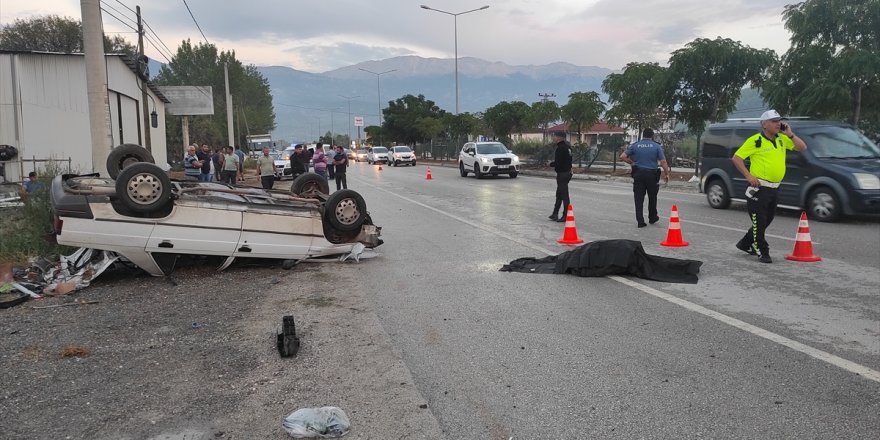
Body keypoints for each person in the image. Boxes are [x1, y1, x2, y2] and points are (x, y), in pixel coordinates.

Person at [732, 109, 807, 263]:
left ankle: (745, 243)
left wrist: (790, 134)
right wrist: (748, 176)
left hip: (774, 188)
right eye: (773, 121)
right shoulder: (755, 140)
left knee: (768, 219)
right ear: (764, 124)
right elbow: (737, 158)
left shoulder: (781, 139)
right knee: (759, 221)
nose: (778, 124)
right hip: (759, 188)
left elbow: (802, 147)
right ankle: (762, 250)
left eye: (779, 120)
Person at [619, 128, 670, 228]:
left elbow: (622, 156)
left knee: (638, 198)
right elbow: (663, 162)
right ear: (652, 136)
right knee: (652, 197)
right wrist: (666, 174)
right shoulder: (656, 146)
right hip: (651, 175)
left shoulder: (635, 145)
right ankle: (652, 217)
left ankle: (640, 221)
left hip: (638, 174)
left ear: (643, 135)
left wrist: (632, 162)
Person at [548, 131, 573, 222]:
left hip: (563, 174)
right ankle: (555, 213)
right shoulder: (567, 147)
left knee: (564, 195)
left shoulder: (560, 148)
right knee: (559, 194)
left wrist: (551, 164)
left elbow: (559, 162)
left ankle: (566, 215)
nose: (553, 138)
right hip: (567, 173)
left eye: (554, 136)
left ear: (559, 138)